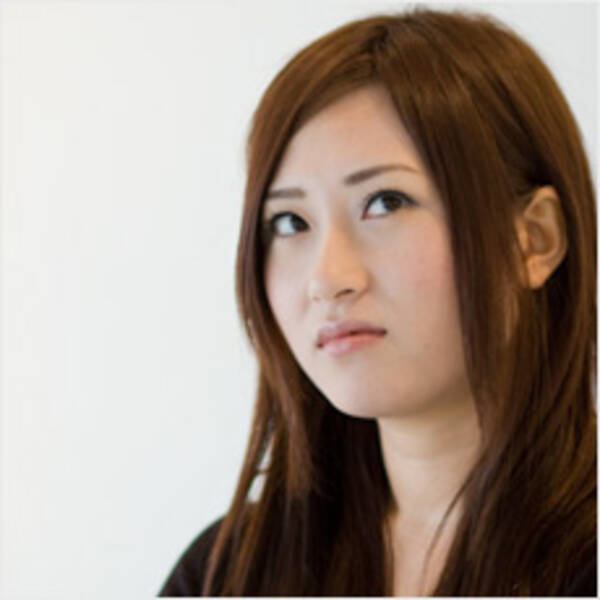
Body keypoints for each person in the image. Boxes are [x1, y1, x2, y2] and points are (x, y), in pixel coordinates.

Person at [159, 6, 596, 596]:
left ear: (533, 240)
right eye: (290, 221)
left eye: (386, 203)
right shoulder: (230, 570)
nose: (326, 279)